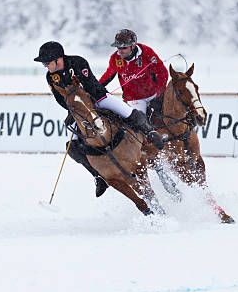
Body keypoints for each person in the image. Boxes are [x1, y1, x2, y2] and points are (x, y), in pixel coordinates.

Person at [34, 41, 163, 198]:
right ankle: (99, 176)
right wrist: (75, 109)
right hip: (79, 110)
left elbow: (90, 84)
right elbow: (59, 99)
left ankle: (150, 133)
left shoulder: (77, 62)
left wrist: (89, 104)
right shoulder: (51, 77)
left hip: (99, 98)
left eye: (47, 62)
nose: (45, 66)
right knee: (73, 147)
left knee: (129, 113)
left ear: (57, 59)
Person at [100, 29, 168, 116]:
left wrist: (160, 93)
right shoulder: (115, 58)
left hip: (153, 94)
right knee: (141, 124)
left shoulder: (146, 52)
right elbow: (107, 76)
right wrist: (94, 87)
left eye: (124, 47)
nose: (120, 50)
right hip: (134, 99)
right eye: (118, 47)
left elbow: (162, 72)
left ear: (133, 46)